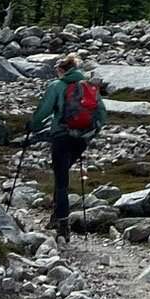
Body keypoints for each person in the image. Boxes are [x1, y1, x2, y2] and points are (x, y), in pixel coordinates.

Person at [26, 53, 103, 241]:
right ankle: (56, 216)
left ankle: (63, 226)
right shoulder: (89, 87)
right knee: (64, 172)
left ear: (61, 70)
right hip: (81, 140)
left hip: (61, 136)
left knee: (61, 181)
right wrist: (90, 134)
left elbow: (42, 111)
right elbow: (101, 114)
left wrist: (31, 126)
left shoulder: (57, 86)